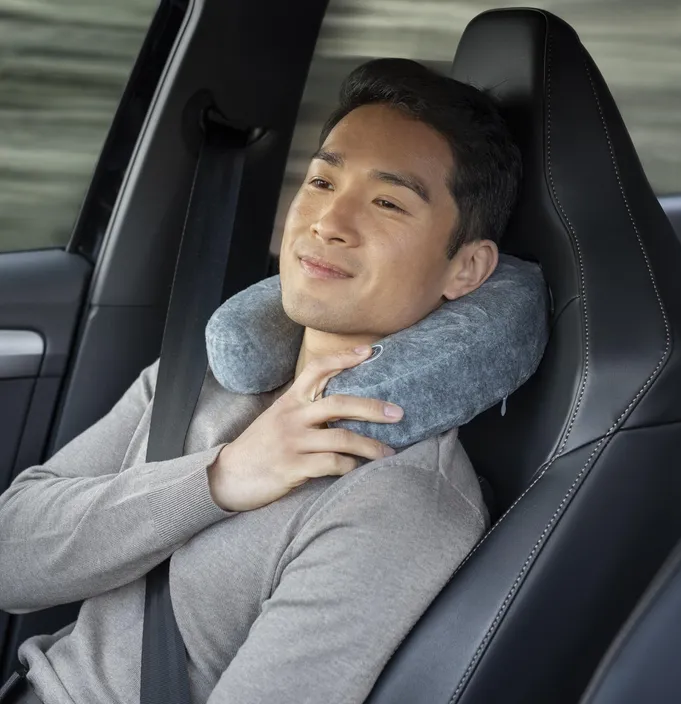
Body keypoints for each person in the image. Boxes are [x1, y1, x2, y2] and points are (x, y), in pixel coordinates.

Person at [0, 58, 521, 704]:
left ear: (466, 269)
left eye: (387, 202)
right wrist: (217, 479)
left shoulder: (400, 501)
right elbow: (10, 556)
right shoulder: (200, 378)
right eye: (322, 181)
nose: (329, 222)